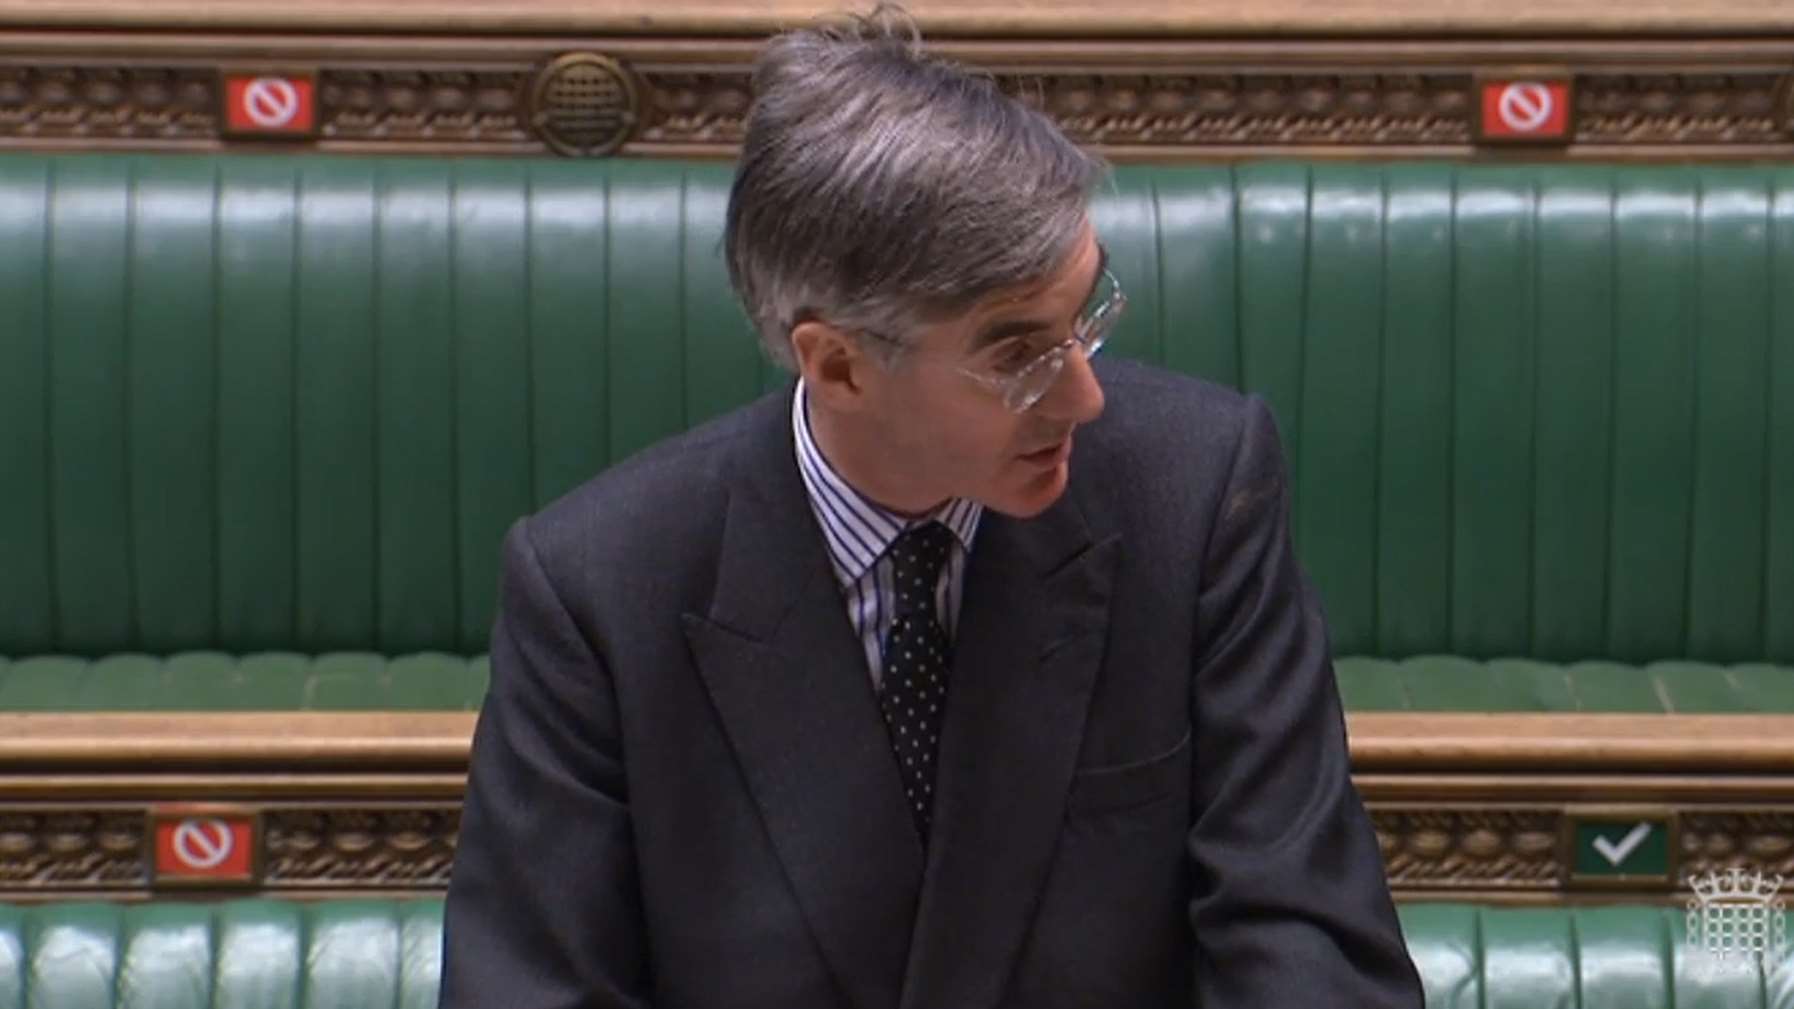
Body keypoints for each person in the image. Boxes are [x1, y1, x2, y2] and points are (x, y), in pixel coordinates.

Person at [440, 7, 1424, 1008]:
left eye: (1085, 316)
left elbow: (1305, 940)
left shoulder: (1198, 492)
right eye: (1016, 353)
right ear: (838, 364)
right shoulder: (601, 592)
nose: (1085, 395)